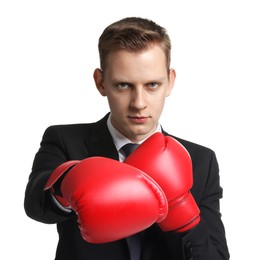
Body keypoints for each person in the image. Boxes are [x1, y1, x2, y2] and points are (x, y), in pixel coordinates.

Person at [24, 17, 230, 260]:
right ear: (101, 83)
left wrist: (183, 216)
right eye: (123, 85)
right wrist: (67, 183)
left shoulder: (200, 160)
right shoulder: (65, 140)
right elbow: (36, 204)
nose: (139, 103)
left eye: (152, 84)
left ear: (170, 82)